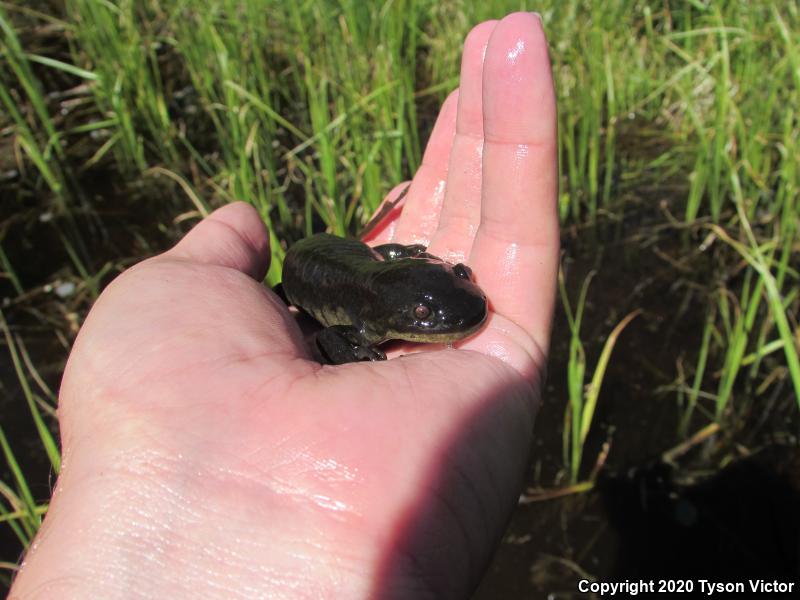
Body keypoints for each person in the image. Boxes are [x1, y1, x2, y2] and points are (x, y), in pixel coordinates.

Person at [10, 12, 557, 599]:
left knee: (378, 263)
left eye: (459, 279)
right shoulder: (366, 320)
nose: (454, 313)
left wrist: (425, 270)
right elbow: (333, 339)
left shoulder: (390, 280)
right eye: (424, 319)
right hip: (315, 266)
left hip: (356, 259)